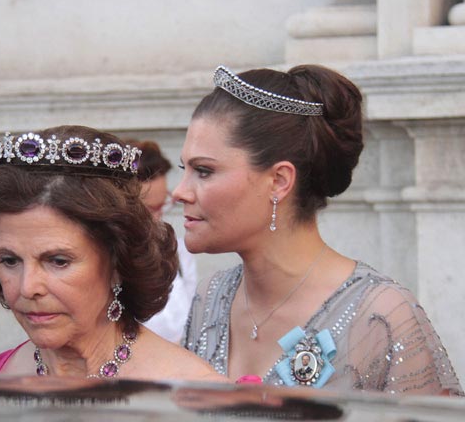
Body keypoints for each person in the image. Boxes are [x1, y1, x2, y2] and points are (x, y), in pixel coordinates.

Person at [176, 65, 462, 394]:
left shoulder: (378, 316)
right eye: (186, 169)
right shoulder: (209, 299)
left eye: (204, 171)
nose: (180, 192)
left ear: (279, 181)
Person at [0, 125, 226, 382]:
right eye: (9, 260)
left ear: (118, 263)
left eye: (58, 261)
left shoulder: (195, 397)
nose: (28, 287)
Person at [126, 139, 200, 344]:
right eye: (148, 210)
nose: (157, 218)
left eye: (161, 206)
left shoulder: (180, 252)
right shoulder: (108, 264)